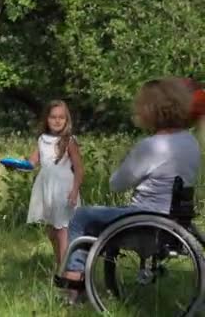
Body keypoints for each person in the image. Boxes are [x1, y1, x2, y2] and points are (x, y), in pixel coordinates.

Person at [61, 77, 201, 303]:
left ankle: (74, 284)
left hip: (144, 220)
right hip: (175, 218)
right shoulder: (190, 142)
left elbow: (117, 184)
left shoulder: (151, 146)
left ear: (149, 110)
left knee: (81, 216)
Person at [16, 100, 84, 271]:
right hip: (46, 189)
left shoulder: (69, 141)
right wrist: (17, 165)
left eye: (61, 117)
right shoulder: (42, 140)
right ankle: (59, 263)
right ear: (46, 119)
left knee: (62, 231)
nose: (57, 121)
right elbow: (32, 163)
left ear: (67, 120)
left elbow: (79, 169)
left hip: (64, 189)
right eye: (53, 117)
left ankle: (65, 270)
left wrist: (75, 191)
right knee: (52, 231)